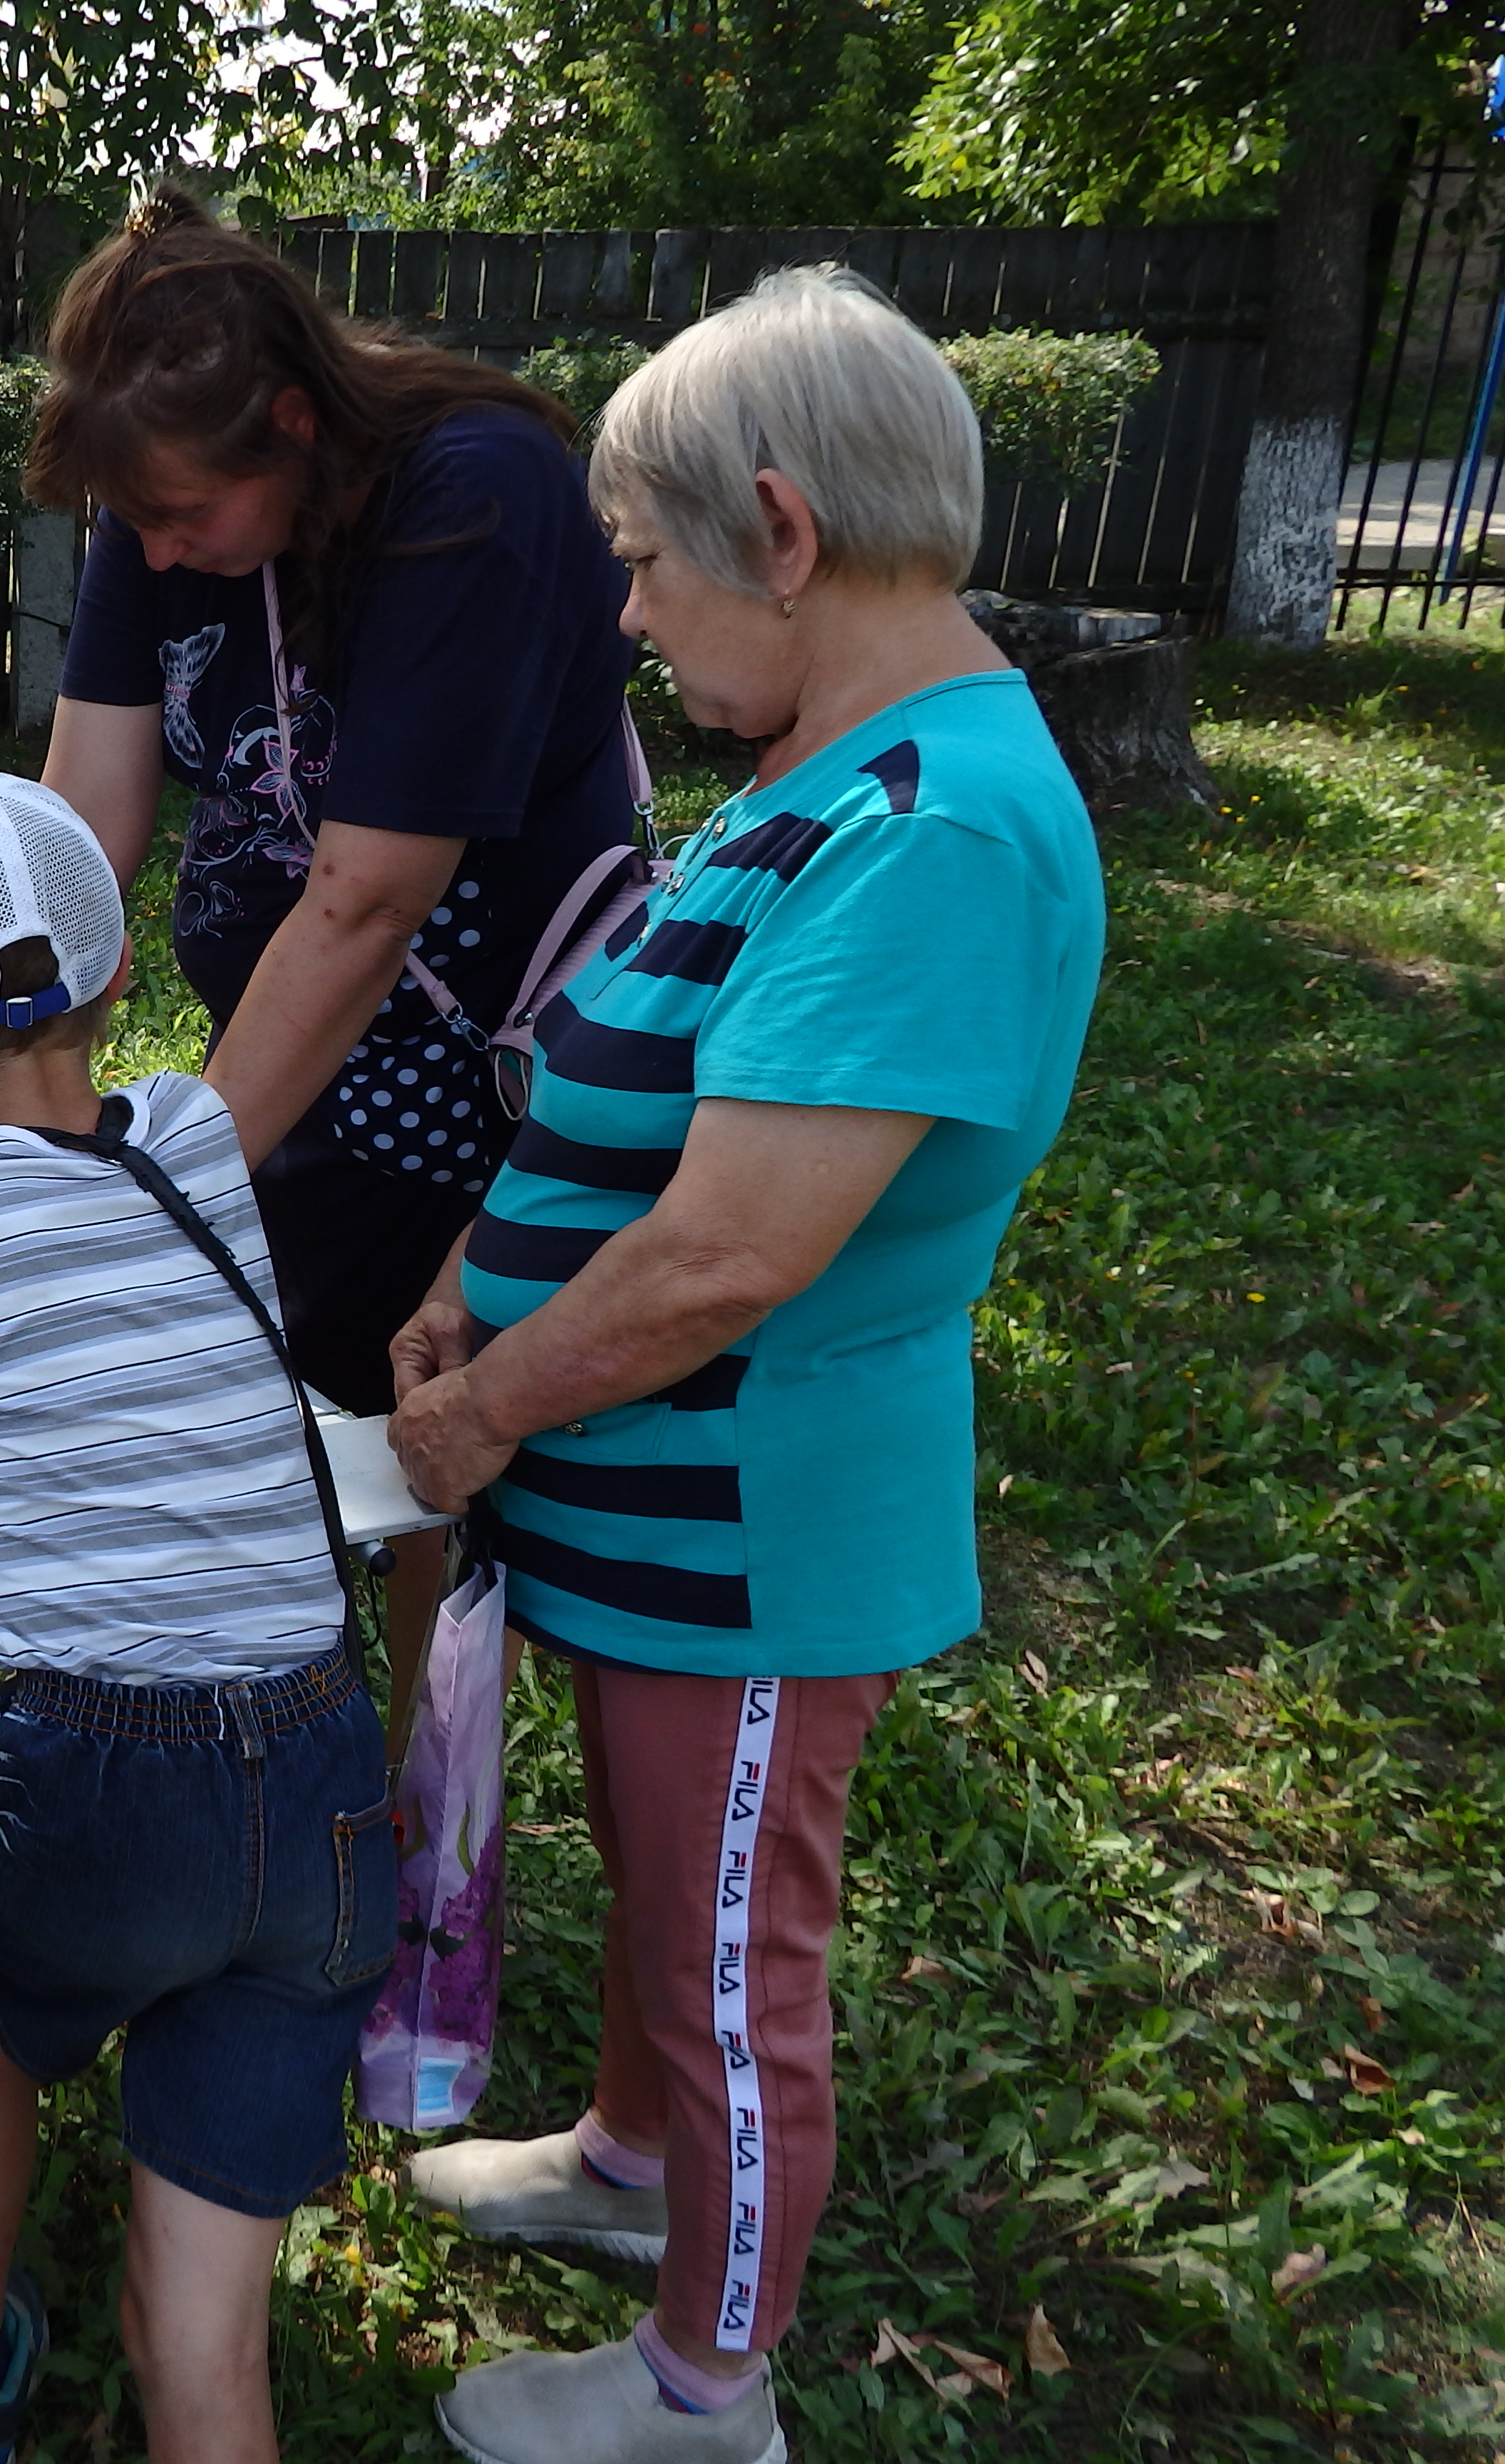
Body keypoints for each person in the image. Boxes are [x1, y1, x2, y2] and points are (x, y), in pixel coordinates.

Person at [383, 266, 1106, 2464]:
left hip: (750, 1528)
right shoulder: (840, 762)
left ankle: (706, 2396)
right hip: (651, 1512)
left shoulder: (933, 828)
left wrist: (484, 1401)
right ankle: (625, 2174)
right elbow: (631, 1096)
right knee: (656, 1879)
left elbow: (724, 1255)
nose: (627, 616)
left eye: (642, 559)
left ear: (778, 533)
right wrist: (466, 1274)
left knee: (728, 1962)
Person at [0, 773, 396, 2464]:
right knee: (201, 2340)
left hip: (101, 1782)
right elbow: (84, 1176)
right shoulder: (202, 1135)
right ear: (122, 973)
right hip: (314, 1770)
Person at [33, 187, 640, 1696]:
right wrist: (21, 1091)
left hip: (472, 1072)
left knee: (414, 1437)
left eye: (186, 518)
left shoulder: (474, 494)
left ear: (295, 428)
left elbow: (370, 905)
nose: (160, 554)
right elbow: (83, 822)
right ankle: (292, 1759)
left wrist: (158, 1193)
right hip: (294, 1059)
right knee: (284, 1412)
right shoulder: (151, 500)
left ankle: (401, 1809)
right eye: (138, 523)